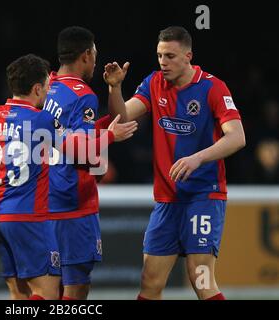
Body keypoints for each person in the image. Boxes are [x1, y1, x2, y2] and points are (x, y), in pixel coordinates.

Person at [0, 54, 135, 300]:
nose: (49, 91)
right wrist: (109, 136)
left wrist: (0, 177)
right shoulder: (40, 119)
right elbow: (76, 150)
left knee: (19, 294)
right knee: (48, 292)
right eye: (46, 86)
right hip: (29, 217)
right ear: (36, 88)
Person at [104, 26, 246, 300]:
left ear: (188, 56)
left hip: (203, 195)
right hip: (167, 200)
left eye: (169, 56)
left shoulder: (212, 87)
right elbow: (120, 117)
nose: (163, 62)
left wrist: (198, 157)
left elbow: (237, 137)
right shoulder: (154, 82)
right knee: (149, 282)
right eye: (159, 55)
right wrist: (115, 89)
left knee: (200, 278)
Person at [45, 26, 138, 300]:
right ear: (86, 55)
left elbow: (113, 119)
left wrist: (115, 88)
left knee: (48, 289)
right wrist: (108, 137)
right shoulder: (82, 94)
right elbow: (79, 150)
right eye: (94, 53)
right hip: (73, 203)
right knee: (76, 289)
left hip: (42, 201)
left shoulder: (43, 88)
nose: (96, 60)